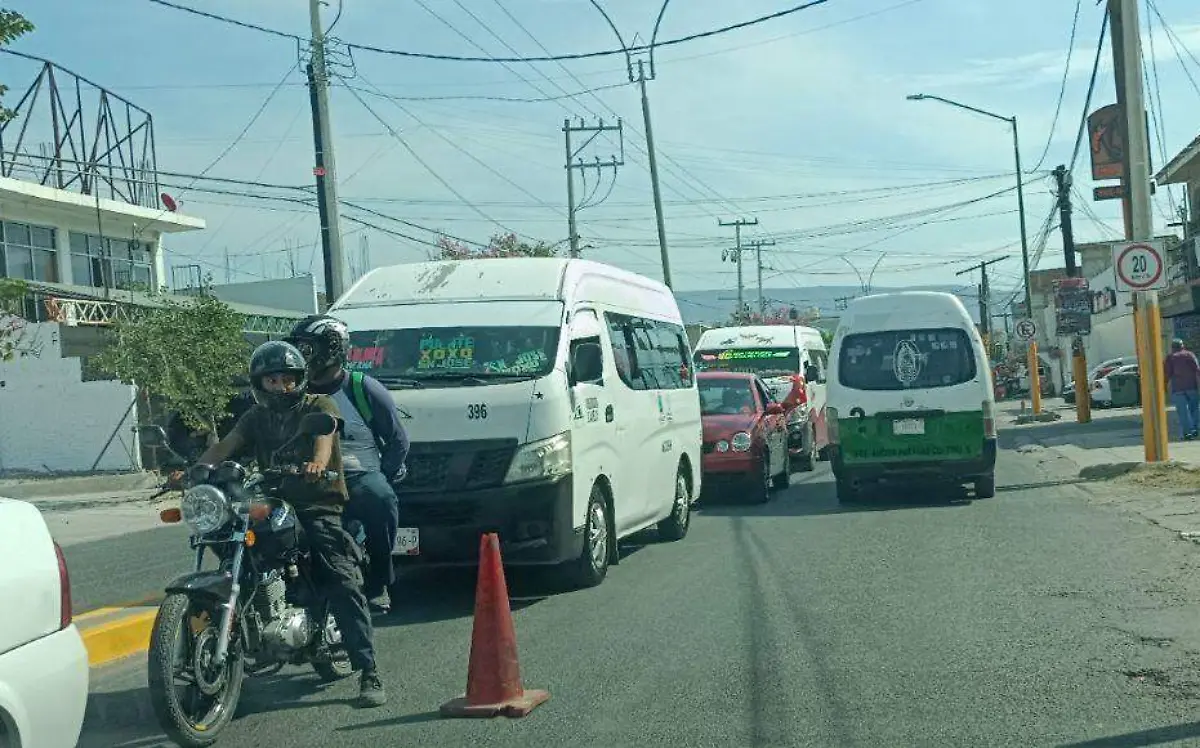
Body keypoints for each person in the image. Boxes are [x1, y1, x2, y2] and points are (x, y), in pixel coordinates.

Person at [192, 341, 386, 708]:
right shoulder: (254, 417)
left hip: (317, 501)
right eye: (271, 380)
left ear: (299, 380)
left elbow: (324, 438)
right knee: (234, 544)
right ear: (259, 384)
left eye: (285, 379)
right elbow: (227, 445)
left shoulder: (318, 405)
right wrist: (196, 469)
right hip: (270, 499)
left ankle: (368, 669)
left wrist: (317, 464)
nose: (279, 386)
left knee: (340, 577)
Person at [286, 314, 409, 614]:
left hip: (358, 474)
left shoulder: (362, 388)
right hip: (308, 478)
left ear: (331, 349)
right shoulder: (290, 391)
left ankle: (380, 582)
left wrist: (383, 475)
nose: (300, 357)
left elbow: (397, 441)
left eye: (307, 348)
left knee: (381, 499)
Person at [1164, 338, 1200, 441]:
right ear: (1182, 346)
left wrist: (1164, 386)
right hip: (1192, 387)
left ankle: (1187, 432)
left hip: (1177, 389)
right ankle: (1195, 428)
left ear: (1172, 348)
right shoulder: (1190, 355)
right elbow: (1197, 370)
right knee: (1195, 409)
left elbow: (1167, 374)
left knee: (1183, 412)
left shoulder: (1170, 358)